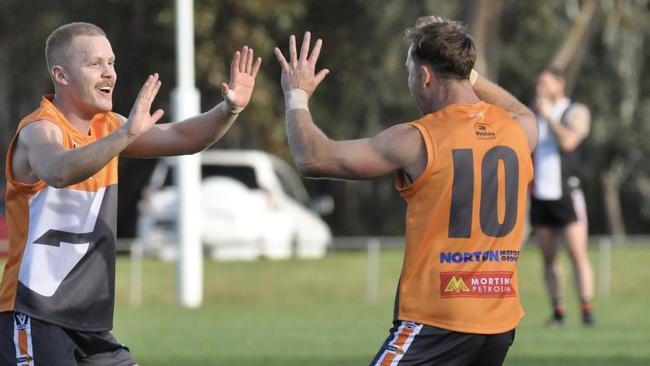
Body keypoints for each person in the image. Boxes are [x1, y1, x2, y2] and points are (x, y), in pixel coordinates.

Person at [274, 17, 537, 366]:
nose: (410, 82)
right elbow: (522, 111)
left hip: (439, 323)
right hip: (498, 323)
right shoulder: (518, 130)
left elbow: (312, 157)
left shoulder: (417, 139)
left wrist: (296, 95)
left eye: (410, 71)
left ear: (425, 76)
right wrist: (466, 73)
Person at [0, 22, 261, 365]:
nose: (109, 73)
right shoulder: (40, 129)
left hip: (89, 324)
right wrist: (126, 136)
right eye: (94, 64)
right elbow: (58, 170)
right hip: (32, 314)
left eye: (111, 63)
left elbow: (184, 138)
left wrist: (230, 108)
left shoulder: (109, 128)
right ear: (61, 75)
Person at [531, 67, 594, 327]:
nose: (540, 87)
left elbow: (569, 141)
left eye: (545, 82)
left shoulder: (576, 111)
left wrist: (547, 116)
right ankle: (558, 311)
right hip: (540, 195)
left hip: (567, 193)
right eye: (538, 83)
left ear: (560, 83)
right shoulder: (532, 114)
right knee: (549, 257)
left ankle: (587, 310)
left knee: (577, 254)